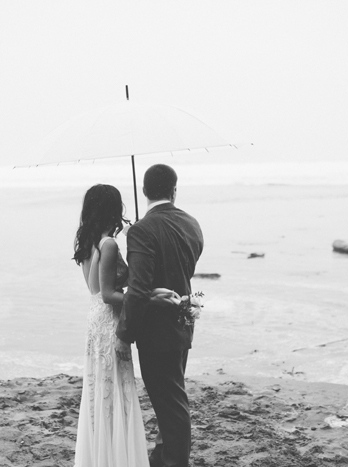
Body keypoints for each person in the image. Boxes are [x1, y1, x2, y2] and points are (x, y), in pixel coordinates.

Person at [116, 164, 204, 467]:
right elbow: (186, 269)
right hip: (185, 320)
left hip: (157, 331)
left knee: (171, 403)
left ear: (143, 191)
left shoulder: (142, 230)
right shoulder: (192, 224)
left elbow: (139, 290)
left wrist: (124, 335)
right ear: (174, 190)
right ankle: (162, 454)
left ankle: (175, 461)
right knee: (172, 393)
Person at [71, 184, 149, 467]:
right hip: (108, 320)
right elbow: (108, 294)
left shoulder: (90, 242)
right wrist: (142, 299)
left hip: (94, 319)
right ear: (113, 209)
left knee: (100, 388)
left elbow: (97, 291)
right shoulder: (109, 244)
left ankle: (101, 455)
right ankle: (118, 458)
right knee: (117, 387)